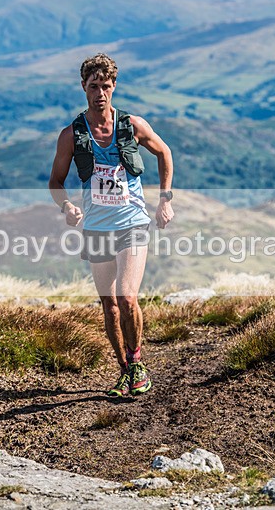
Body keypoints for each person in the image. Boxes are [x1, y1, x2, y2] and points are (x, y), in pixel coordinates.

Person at [49, 53, 174, 397]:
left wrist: (165, 199)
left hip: (132, 222)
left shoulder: (131, 125)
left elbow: (164, 152)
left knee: (127, 296)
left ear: (114, 86)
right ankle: (125, 370)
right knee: (109, 305)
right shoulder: (71, 135)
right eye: (94, 86)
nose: (100, 93)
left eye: (106, 86)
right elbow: (55, 183)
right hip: (97, 228)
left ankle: (137, 363)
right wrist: (67, 207)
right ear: (83, 88)